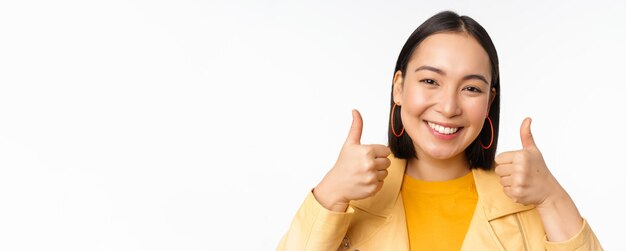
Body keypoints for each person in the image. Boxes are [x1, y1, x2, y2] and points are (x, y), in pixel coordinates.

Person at [277, 10, 602, 250]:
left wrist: (552, 196)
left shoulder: (523, 204)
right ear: (399, 88)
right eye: (430, 81)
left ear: (490, 100)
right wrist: (330, 191)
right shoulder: (349, 200)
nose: (448, 107)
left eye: (471, 89)